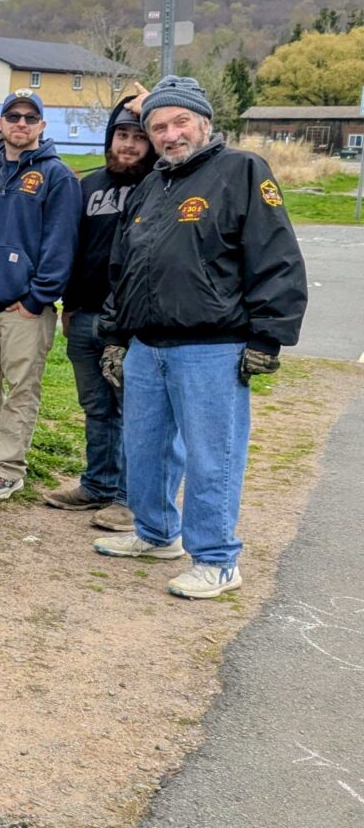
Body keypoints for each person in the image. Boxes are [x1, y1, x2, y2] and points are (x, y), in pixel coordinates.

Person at [94, 75, 307, 599]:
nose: (170, 135)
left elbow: (276, 257)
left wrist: (268, 337)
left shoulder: (242, 171)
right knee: (144, 449)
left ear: (204, 123)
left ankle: (216, 559)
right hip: (147, 347)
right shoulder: (151, 186)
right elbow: (123, 269)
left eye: (180, 122)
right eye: (158, 127)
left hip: (213, 347)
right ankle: (156, 533)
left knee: (213, 457)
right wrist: (116, 335)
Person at [0, 88, 80, 500]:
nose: (21, 123)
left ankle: (9, 468)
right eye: (14, 116)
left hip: (25, 308)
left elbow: (60, 244)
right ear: (0, 122)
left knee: (21, 387)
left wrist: (39, 297)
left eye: (30, 117)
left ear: (42, 125)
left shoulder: (57, 176)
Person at [44, 91, 154, 530]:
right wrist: (68, 305)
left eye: (138, 137)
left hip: (130, 323)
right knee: (96, 407)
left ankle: (131, 499)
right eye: (121, 136)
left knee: (133, 410)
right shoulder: (88, 186)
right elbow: (74, 249)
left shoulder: (158, 186)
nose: (128, 145)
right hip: (85, 315)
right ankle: (98, 484)